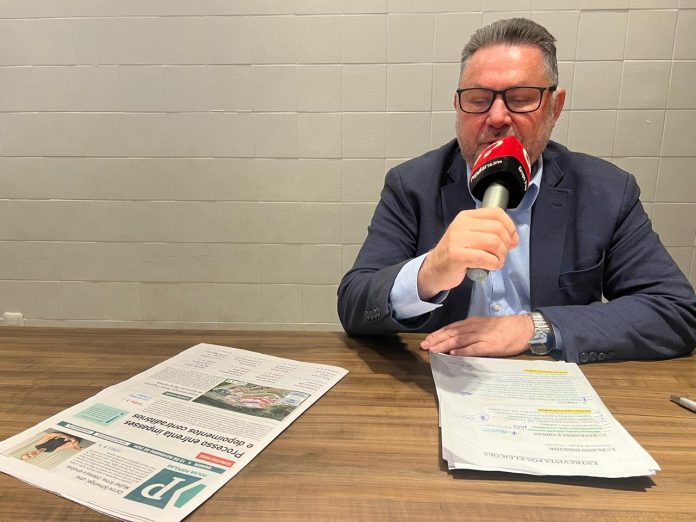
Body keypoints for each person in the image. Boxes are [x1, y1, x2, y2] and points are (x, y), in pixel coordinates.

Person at [337, 18, 696, 364]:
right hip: (439, 379)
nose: (497, 118)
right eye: (478, 100)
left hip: (554, 384)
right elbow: (354, 305)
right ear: (457, 106)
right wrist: (427, 273)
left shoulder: (606, 191)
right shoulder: (412, 184)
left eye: (521, 98)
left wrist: (533, 328)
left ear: (554, 107)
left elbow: (675, 310)